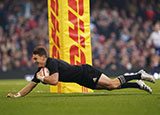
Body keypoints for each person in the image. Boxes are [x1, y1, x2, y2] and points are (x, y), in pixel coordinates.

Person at [7, 46, 155, 98]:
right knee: (112, 87)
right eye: (33, 59)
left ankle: (139, 74)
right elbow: (30, 85)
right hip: (81, 80)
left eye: (36, 58)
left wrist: (43, 79)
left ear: (43, 57)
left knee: (112, 83)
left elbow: (54, 81)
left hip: (85, 72)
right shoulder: (41, 70)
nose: (34, 61)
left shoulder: (51, 63)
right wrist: (16, 95)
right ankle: (138, 85)